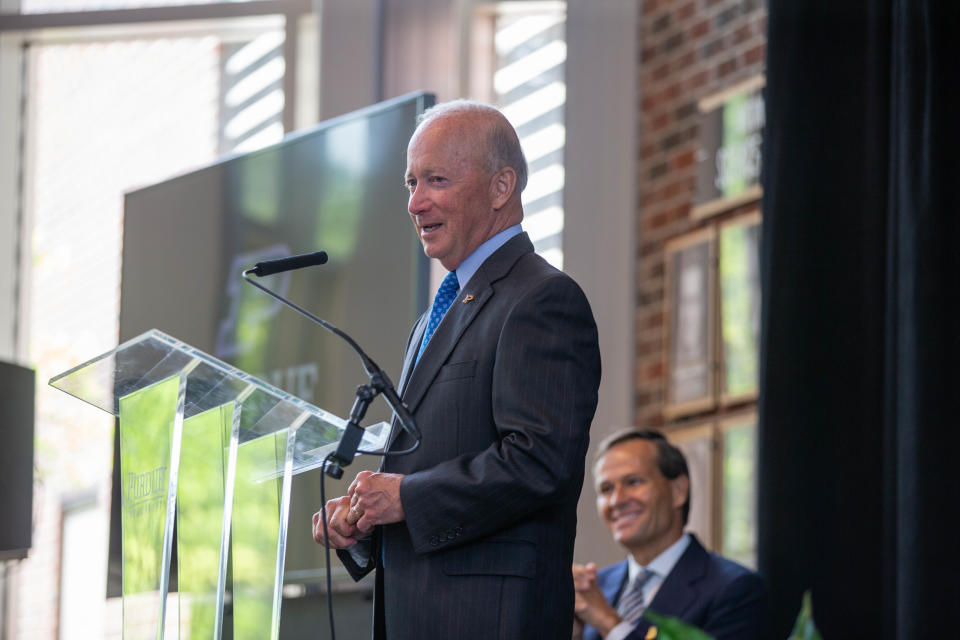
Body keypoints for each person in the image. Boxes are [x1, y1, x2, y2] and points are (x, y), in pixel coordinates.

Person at [313, 99, 602, 639]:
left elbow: (540, 462)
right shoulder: (433, 319)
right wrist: (366, 524)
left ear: (501, 187)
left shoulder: (542, 299)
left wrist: (405, 497)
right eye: (410, 183)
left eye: (437, 180)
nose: (415, 203)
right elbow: (433, 472)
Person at [573, 429, 768, 640]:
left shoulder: (735, 590)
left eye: (633, 482)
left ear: (678, 490)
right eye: (606, 489)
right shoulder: (595, 587)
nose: (616, 501)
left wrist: (609, 622)